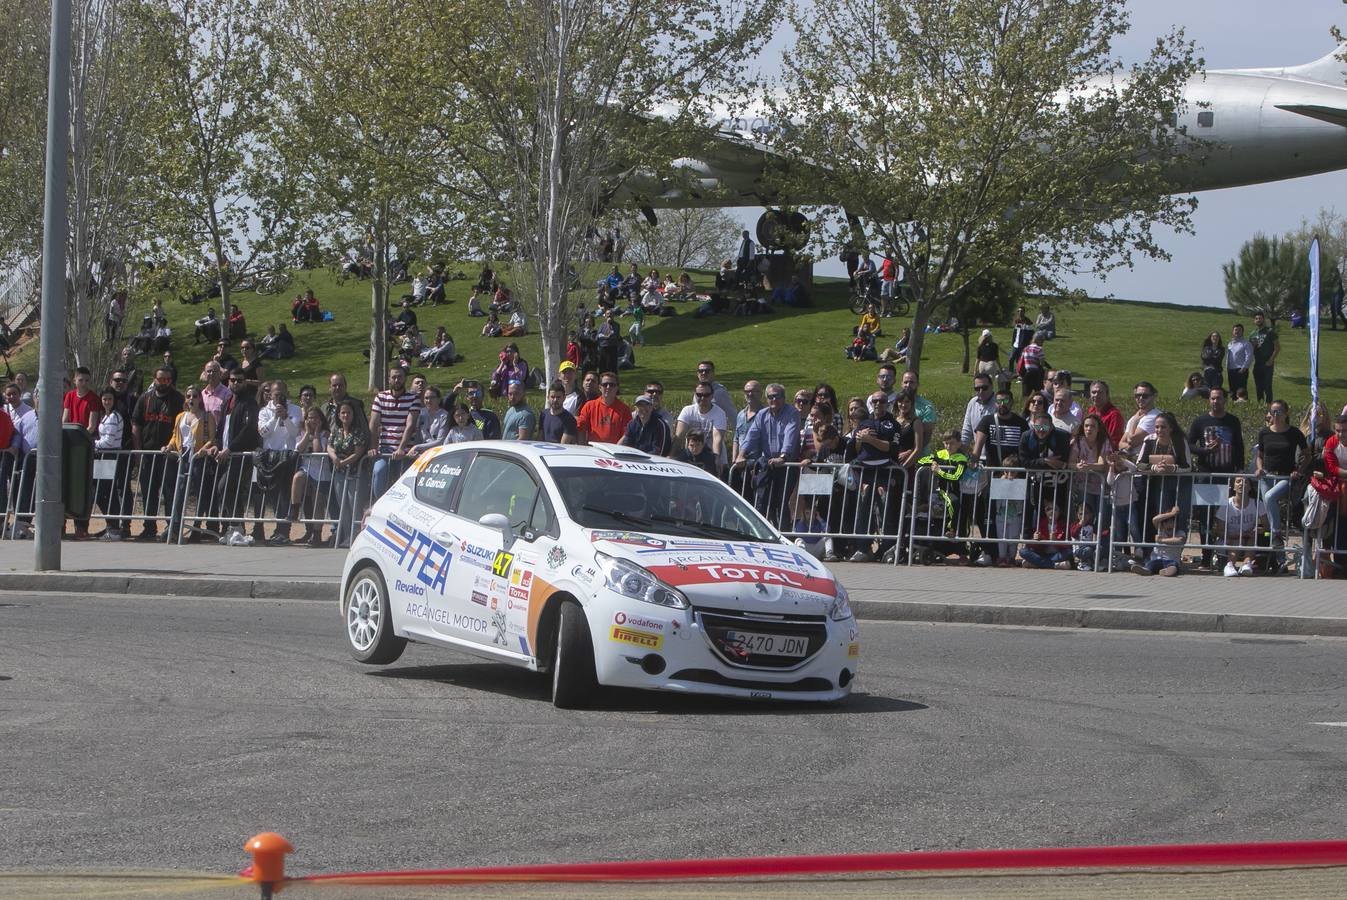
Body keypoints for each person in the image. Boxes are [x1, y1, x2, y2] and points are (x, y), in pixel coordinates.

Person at [1187, 386, 1245, 568]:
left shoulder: (1232, 421)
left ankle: (1222, 557)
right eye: (1212, 398)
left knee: (1223, 518)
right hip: (1207, 475)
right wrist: (1204, 450)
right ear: (1209, 400)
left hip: (1226, 475)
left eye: (1219, 398)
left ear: (1225, 400)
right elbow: (1188, 444)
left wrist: (1240, 469)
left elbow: (1239, 446)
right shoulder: (1200, 421)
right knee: (1205, 518)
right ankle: (1205, 555)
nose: (1215, 401)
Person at [130, 367, 184, 541]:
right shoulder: (145, 399)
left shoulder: (178, 399)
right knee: (148, 493)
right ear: (154, 380)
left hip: (170, 455)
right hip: (148, 454)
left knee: (169, 492)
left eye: (168, 379)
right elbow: (136, 426)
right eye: (161, 379)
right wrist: (139, 452)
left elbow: (182, 427)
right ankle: (149, 527)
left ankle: (171, 528)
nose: (164, 382)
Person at [737, 383, 801, 527]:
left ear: (783, 398)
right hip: (768, 464)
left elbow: (790, 437)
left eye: (777, 396)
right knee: (763, 500)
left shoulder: (792, 413)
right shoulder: (762, 414)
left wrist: (783, 457)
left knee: (781, 501)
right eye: (770, 397)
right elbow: (751, 436)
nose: (773, 399)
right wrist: (741, 454)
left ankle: (784, 533)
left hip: (786, 465)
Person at [1254, 398, 1306, 560]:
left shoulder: (1294, 433)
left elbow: (1307, 454)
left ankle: (1276, 533)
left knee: (1270, 498)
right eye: (1273, 412)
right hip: (1267, 476)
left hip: (1285, 476)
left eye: (1279, 412)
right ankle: (1280, 557)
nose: (1275, 415)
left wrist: (1298, 470)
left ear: (1286, 413)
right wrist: (1259, 468)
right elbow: (1260, 455)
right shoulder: (1264, 432)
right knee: (1270, 515)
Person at [367, 367, 418, 499]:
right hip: (385, 449)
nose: (397, 380)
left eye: (400, 377)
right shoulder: (381, 397)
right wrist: (373, 446)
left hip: (405, 451)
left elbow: (410, 425)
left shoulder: (413, 399)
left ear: (404, 378)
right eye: (394, 377)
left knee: (404, 483)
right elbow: (373, 423)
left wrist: (401, 448)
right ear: (389, 379)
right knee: (378, 472)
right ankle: (379, 504)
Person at [91, 389, 127, 541]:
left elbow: (108, 441)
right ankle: (111, 524)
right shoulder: (106, 416)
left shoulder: (114, 417)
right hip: (104, 456)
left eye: (109, 399)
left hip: (110, 455)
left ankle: (114, 528)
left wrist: (92, 443)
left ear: (114, 400)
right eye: (104, 399)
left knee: (106, 493)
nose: (107, 402)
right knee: (101, 492)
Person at [1216, 476, 1268, 576]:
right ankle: (1230, 565)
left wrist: (1258, 530)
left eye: (1245, 482)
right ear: (1234, 487)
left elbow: (1267, 527)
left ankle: (1246, 565)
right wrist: (1235, 535)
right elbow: (1218, 530)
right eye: (1238, 482)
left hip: (1249, 537)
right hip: (1229, 539)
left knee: (1252, 538)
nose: (1241, 484)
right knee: (1237, 540)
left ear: (1250, 487)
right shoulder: (1226, 504)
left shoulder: (1257, 503)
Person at [676, 382, 729, 472]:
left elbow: (717, 439)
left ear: (712, 396)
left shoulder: (719, 413)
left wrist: (716, 459)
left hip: (712, 458)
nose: (703, 398)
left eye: (706, 395)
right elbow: (679, 436)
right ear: (695, 395)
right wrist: (672, 455)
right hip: (691, 457)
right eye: (699, 395)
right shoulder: (687, 411)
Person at [577, 372, 632, 444]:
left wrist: (616, 449)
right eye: (605, 384)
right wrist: (583, 448)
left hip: (614, 451)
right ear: (600, 387)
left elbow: (626, 434)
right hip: (592, 451)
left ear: (617, 388)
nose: (608, 387)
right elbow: (581, 428)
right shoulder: (589, 406)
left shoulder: (624, 410)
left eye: (612, 385)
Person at [1119, 381, 1161, 456]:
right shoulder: (1134, 417)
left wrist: (1134, 422)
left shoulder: (1155, 417)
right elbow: (1120, 444)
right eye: (1137, 395)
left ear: (1153, 396)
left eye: (1145, 396)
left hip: (1144, 461)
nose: (1140, 398)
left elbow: (1132, 440)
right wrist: (1129, 447)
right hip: (1130, 459)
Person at [1249, 312, 1280, 405]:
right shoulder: (1252, 334)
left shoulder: (1270, 331)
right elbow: (1250, 350)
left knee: (1267, 386)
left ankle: (1269, 405)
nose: (1258, 320)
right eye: (1256, 318)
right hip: (1257, 363)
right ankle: (1260, 405)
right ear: (1254, 321)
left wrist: (1271, 360)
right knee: (1258, 386)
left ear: (1264, 320)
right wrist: (1253, 346)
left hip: (1267, 363)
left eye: (1260, 318)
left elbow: (1277, 347)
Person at [694, 360, 737, 427]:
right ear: (697, 374)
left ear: (713, 373)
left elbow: (732, 414)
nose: (703, 373)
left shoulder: (720, 392)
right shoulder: (697, 391)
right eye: (700, 371)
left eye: (707, 371)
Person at [1087, 380, 1124, 449]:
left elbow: (1114, 442)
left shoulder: (1114, 415)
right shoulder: (1091, 410)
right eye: (1093, 392)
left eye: (1100, 392)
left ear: (1107, 395)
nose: (1096, 395)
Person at [1015, 332, 1048, 399]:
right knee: (1039, 393)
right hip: (1036, 374)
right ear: (1038, 340)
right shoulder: (1039, 349)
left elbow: (1022, 361)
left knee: (1026, 395)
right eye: (1042, 340)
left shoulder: (1026, 348)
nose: (1042, 342)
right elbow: (1042, 363)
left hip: (1027, 374)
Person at [1226, 322, 1252, 400]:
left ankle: (1243, 407)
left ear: (1242, 332)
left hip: (1241, 370)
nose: (1237, 332)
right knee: (1232, 390)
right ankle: (1233, 406)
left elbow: (1249, 356)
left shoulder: (1246, 343)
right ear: (1233, 332)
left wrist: (1244, 368)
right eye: (1235, 330)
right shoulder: (1230, 344)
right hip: (1231, 370)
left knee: (1241, 392)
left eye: (1239, 330)